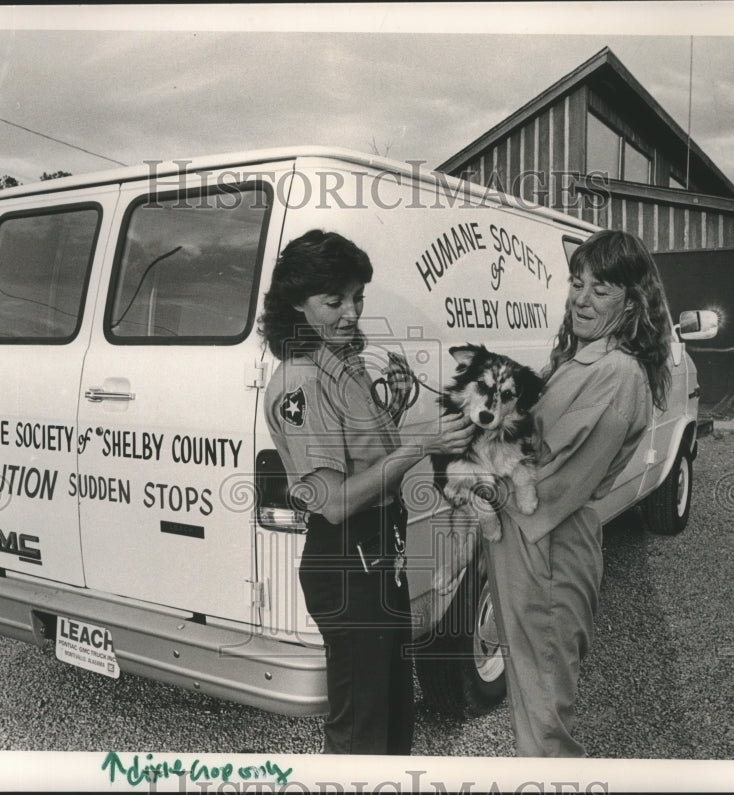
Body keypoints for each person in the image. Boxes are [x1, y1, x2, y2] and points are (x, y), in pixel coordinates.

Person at [258, 228, 474, 755]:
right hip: (348, 560)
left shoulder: (342, 363)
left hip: (379, 557)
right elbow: (332, 502)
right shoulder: (302, 382)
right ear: (295, 304)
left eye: (356, 298)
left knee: (392, 719)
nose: (351, 312)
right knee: (360, 735)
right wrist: (420, 441)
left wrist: (396, 416)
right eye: (334, 301)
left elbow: (368, 454)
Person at [485, 228, 673, 757]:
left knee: (545, 724)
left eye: (602, 288)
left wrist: (480, 463)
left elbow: (548, 483)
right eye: (576, 283)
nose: (581, 299)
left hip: (547, 547)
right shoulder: (584, 359)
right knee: (531, 700)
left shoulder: (615, 373)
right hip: (527, 543)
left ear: (634, 301)